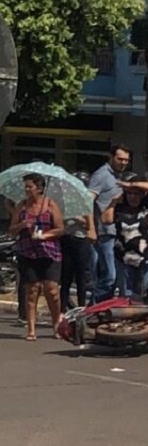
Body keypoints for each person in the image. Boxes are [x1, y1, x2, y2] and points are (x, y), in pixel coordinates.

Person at [8, 173, 65, 340]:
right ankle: (31, 329)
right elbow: (11, 231)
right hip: (28, 251)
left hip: (49, 252)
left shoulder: (50, 204)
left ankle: (56, 323)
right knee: (31, 290)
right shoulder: (22, 206)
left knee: (51, 290)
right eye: (25, 187)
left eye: (30, 187)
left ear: (39, 188)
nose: (27, 190)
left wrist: (44, 235)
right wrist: (22, 225)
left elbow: (60, 229)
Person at [103, 173, 148, 298]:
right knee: (125, 294)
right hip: (123, 256)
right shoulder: (120, 207)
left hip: (145, 256)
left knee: (141, 294)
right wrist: (113, 202)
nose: (132, 197)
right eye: (129, 193)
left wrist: (131, 184)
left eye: (136, 194)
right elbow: (106, 220)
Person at [88, 143, 130, 301]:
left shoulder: (118, 176)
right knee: (108, 276)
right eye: (120, 159)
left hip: (116, 233)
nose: (123, 163)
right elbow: (88, 201)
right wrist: (91, 228)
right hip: (103, 233)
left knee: (115, 278)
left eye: (126, 160)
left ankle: (103, 309)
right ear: (111, 157)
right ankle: (93, 307)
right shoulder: (101, 175)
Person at [60, 171, 97, 312]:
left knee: (81, 275)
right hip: (66, 237)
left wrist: (78, 219)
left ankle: (82, 308)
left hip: (81, 239)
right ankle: (63, 308)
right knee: (66, 276)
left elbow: (89, 222)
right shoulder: (65, 199)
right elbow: (59, 218)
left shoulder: (86, 199)